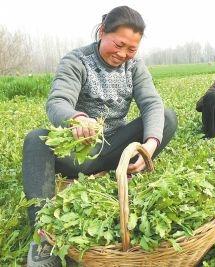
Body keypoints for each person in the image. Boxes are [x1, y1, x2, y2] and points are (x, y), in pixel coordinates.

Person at [23, 6, 177, 266]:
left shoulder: (134, 67)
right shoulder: (77, 61)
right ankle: (43, 235)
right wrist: (78, 119)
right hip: (81, 149)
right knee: (36, 139)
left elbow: (151, 103)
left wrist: (149, 146)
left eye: (131, 49)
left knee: (168, 117)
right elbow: (58, 101)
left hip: (117, 147)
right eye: (118, 44)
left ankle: (126, 171)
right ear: (102, 31)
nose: (122, 54)